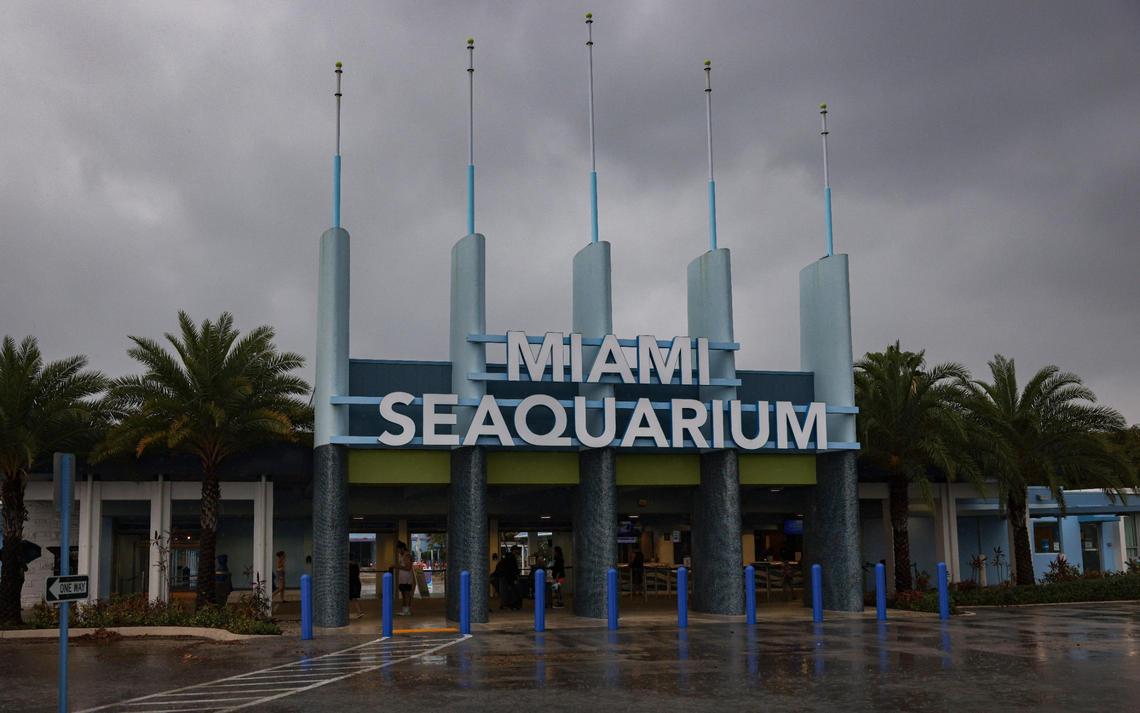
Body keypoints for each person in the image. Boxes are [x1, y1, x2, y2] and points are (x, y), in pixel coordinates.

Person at [396, 541, 414, 616]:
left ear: (402, 548)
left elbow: (408, 567)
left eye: (398, 549)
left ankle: (407, 610)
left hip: (407, 579)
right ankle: (404, 610)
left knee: (406, 594)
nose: (398, 551)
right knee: (403, 594)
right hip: (403, 579)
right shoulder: (402, 555)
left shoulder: (407, 556)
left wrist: (397, 566)